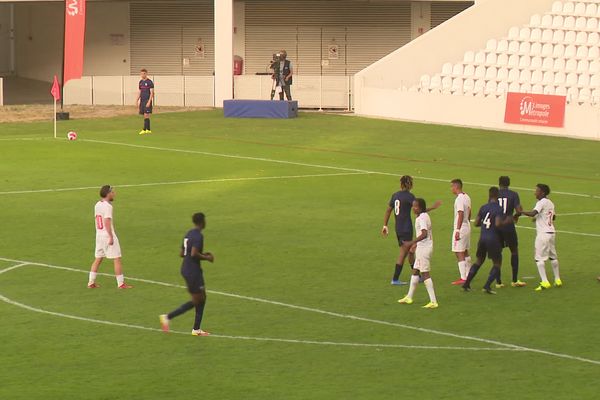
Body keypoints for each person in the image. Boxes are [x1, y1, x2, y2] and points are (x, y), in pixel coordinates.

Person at [160, 213, 214, 336]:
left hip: (187, 268)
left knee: (202, 297)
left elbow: (182, 253)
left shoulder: (189, 233)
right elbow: (194, 253)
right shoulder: (198, 236)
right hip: (192, 271)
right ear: (202, 222)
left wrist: (201, 254)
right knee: (197, 299)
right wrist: (206, 257)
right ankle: (167, 317)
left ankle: (196, 329)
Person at [382, 175, 441, 285]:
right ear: (409, 184)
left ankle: (417, 275)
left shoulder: (395, 195)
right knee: (404, 253)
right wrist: (433, 207)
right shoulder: (409, 196)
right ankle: (395, 279)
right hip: (406, 228)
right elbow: (420, 209)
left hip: (398, 228)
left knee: (410, 252)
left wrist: (385, 225)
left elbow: (388, 210)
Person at [462, 187, 512, 294]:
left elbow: (476, 223)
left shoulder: (483, 207)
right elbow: (498, 224)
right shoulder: (498, 209)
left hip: (482, 238)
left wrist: (485, 224)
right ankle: (487, 286)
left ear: (489, 196)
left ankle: (466, 284)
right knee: (497, 263)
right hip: (493, 239)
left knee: (479, 261)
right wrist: (507, 221)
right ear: (497, 196)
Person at [517, 184, 561, 291]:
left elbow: (533, 213)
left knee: (539, 259)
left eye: (537, 190)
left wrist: (521, 212)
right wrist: (539, 217)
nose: (535, 192)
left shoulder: (541, 202)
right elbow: (553, 216)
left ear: (543, 193)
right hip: (551, 233)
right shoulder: (550, 202)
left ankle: (545, 282)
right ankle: (558, 279)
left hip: (543, 234)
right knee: (553, 257)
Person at [88, 185, 133, 289]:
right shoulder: (108, 207)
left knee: (98, 258)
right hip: (106, 235)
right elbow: (107, 221)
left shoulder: (97, 204)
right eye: (112, 192)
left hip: (99, 235)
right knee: (117, 258)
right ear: (108, 193)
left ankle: (91, 282)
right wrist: (111, 236)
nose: (114, 194)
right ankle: (121, 284)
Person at [397, 199, 438, 309]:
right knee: (415, 271)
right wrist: (415, 245)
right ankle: (409, 297)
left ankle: (433, 301)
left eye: (415, 206)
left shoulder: (422, 218)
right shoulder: (423, 215)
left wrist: (411, 242)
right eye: (413, 206)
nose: (413, 208)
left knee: (425, 274)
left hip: (424, 249)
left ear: (420, 208)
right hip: (422, 247)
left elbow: (424, 234)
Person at [496, 176, 527, 288]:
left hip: (497, 226)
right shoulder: (514, 194)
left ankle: (498, 282)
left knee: (497, 253)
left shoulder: (495, 194)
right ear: (509, 184)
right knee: (514, 251)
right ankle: (514, 280)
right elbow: (519, 210)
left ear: (499, 184)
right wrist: (515, 216)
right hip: (509, 226)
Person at [450, 179, 472, 285]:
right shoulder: (467, 197)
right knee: (465, 250)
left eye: (452, 187)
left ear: (456, 186)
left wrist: (458, 230)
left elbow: (460, 213)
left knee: (458, 251)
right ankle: (469, 274)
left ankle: (463, 277)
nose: (451, 189)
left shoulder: (459, 199)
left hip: (461, 227)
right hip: (467, 225)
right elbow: (469, 212)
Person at [137, 68, 154, 135]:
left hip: (147, 100)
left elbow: (152, 93)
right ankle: (148, 130)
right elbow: (140, 91)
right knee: (144, 115)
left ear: (146, 74)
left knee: (146, 115)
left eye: (144, 73)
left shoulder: (150, 82)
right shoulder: (140, 82)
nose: (142, 75)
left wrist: (149, 101)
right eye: (141, 74)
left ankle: (144, 129)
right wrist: (137, 99)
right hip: (142, 101)